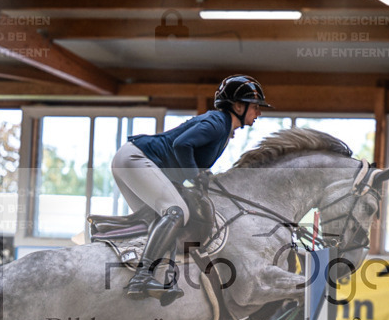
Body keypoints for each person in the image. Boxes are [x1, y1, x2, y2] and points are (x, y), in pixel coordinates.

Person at [111, 74, 270, 302]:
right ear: (238, 106)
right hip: (137, 159)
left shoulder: (221, 127)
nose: (259, 113)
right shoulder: (218, 123)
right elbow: (181, 145)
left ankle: (144, 275)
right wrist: (196, 177)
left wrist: (199, 178)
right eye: (255, 107)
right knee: (176, 212)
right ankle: (142, 278)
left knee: (157, 222)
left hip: (130, 160)